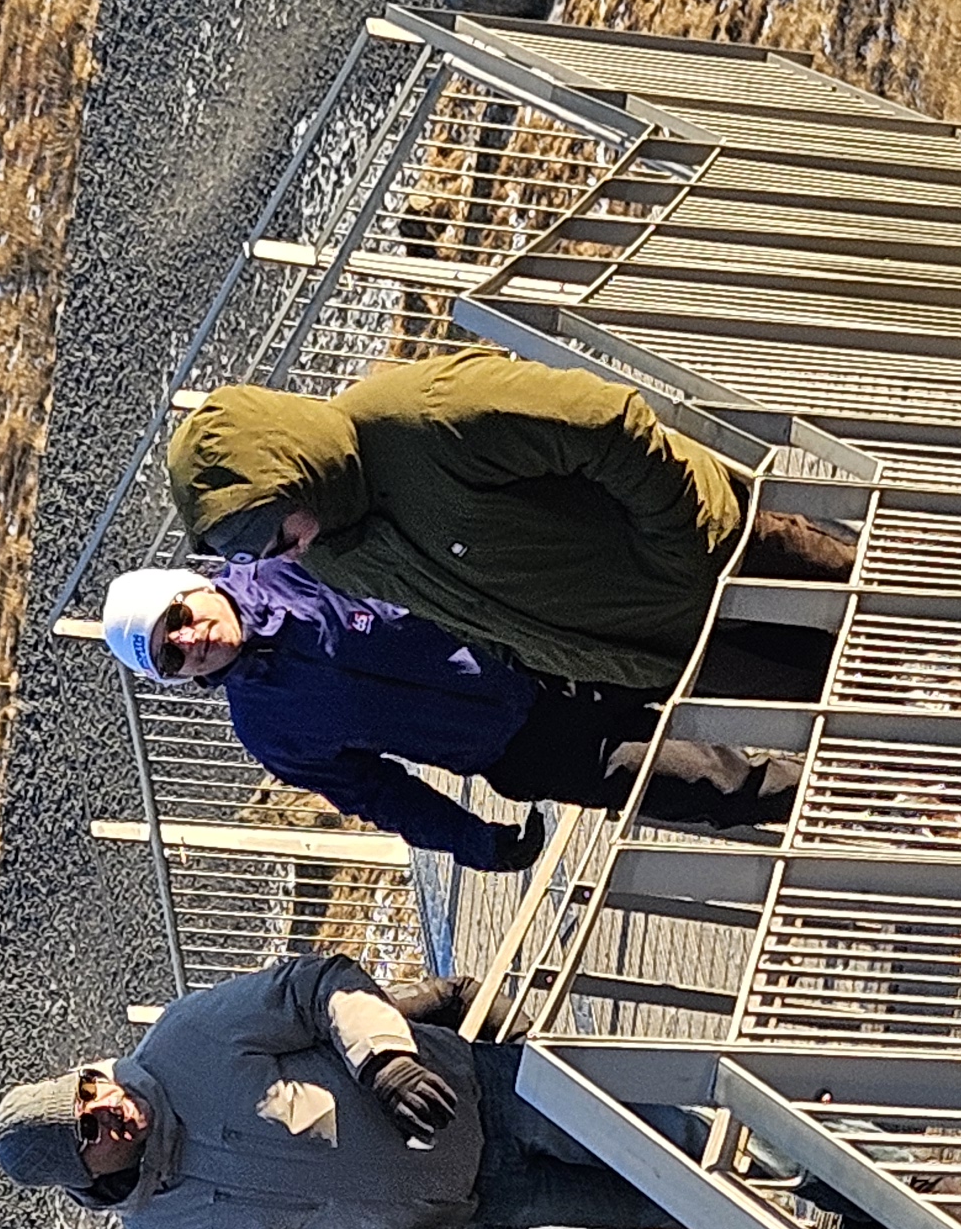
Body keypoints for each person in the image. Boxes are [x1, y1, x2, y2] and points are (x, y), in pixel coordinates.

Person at [0, 949, 678, 1229]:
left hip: (492, 1090)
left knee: (679, 1135)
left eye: (86, 1092)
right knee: (662, 1206)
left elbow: (315, 985)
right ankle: (785, 1208)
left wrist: (384, 1061)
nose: (105, 1107)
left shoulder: (185, 1036)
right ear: (86, 1175)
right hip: (490, 1200)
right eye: (88, 1131)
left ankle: (789, 1160)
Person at [164, 347, 856, 693]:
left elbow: (608, 424)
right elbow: (453, 612)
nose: (282, 554)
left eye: (274, 530)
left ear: (293, 470)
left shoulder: (424, 413)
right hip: (659, 652)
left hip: (724, 553)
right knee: (860, 717)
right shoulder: (328, 551)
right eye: (258, 553)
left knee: (896, 619)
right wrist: (531, 657)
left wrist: (676, 541)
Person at [97, 558, 799, 861]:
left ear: (188, 588)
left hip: (547, 641)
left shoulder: (291, 563)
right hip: (524, 747)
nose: (191, 642)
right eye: (171, 657)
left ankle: (876, 685)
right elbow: (379, 792)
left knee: (740, 663)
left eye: (178, 619)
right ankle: (858, 797)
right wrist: (470, 839)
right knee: (713, 786)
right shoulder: (268, 728)